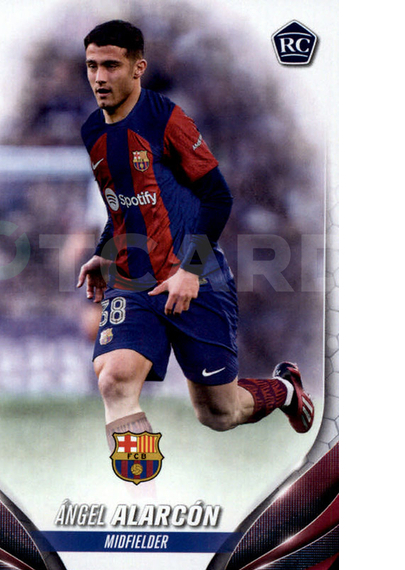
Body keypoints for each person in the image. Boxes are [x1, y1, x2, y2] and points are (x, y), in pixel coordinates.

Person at [76, 20, 314, 455]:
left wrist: (189, 270)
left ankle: (284, 390)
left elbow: (218, 197)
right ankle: (140, 491)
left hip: (196, 279)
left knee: (219, 413)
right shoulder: (93, 131)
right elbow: (123, 205)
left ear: (138, 68)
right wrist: (103, 252)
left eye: (111, 66)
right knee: (114, 381)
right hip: (132, 281)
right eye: (92, 66)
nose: (99, 77)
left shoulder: (167, 118)